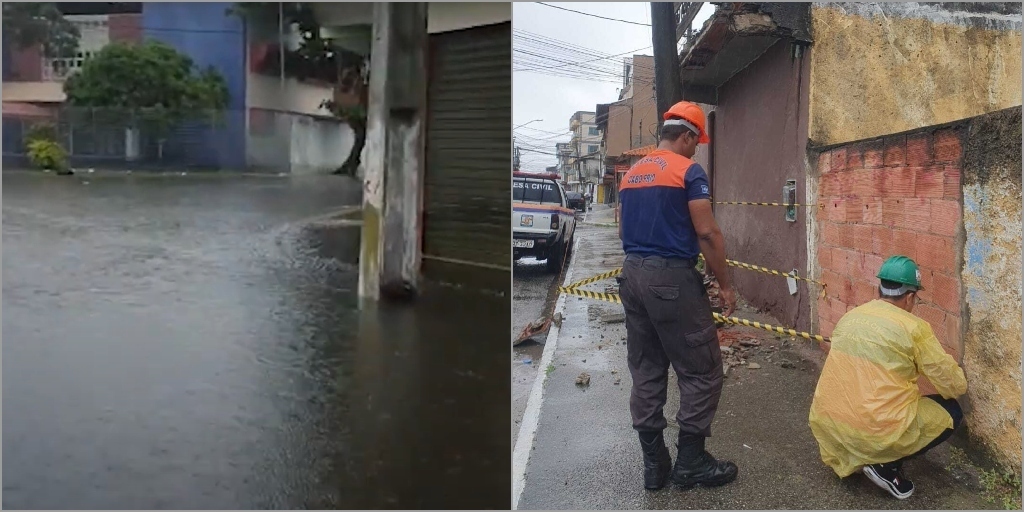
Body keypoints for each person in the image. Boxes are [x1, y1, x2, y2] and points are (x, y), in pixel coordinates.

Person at [616, 101, 738, 491]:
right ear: (685, 136)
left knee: (647, 369)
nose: (696, 149)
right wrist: (726, 283)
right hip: (670, 280)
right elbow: (707, 233)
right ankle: (691, 463)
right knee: (701, 370)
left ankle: (655, 466)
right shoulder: (688, 171)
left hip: (632, 274)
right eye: (695, 142)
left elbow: (625, 229)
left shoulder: (631, 174)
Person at [808, 255, 967, 500]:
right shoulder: (914, 328)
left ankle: (857, 457)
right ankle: (886, 467)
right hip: (873, 431)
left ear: (879, 289)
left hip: (830, 424)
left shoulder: (850, 317)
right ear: (910, 297)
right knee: (951, 411)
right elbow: (952, 384)